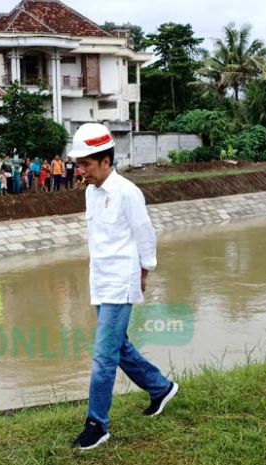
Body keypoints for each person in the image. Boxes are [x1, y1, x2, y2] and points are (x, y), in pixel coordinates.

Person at [68, 123, 178, 451]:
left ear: (105, 161)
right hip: (100, 279)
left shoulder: (128, 192)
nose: (80, 170)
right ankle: (160, 388)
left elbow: (145, 234)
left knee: (103, 355)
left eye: (86, 163)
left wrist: (145, 270)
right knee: (119, 347)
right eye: (79, 163)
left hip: (121, 281)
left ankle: (97, 424)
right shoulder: (90, 192)